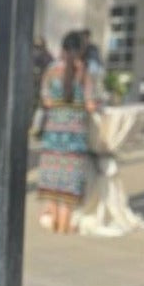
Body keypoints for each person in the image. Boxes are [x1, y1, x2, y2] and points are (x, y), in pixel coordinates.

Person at [37, 29, 99, 233]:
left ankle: (53, 220)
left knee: (53, 180)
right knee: (69, 183)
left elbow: (46, 100)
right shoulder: (85, 74)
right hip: (75, 136)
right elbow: (90, 104)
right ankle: (65, 224)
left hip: (53, 134)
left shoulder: (52, 71)